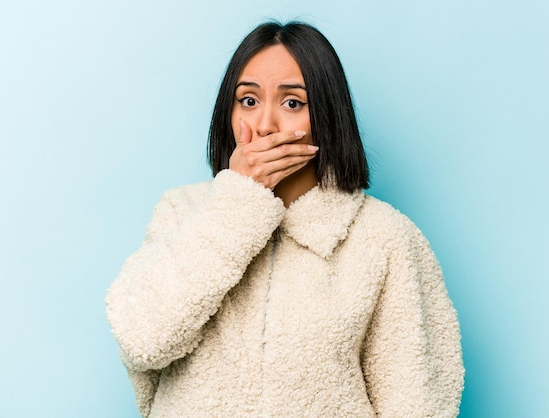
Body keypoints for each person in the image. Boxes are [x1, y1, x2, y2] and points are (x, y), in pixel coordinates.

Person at [105, 21, 464, 417]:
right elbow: (142, 340)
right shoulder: (181, 213)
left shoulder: (384, 238)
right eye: (248, 101)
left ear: (326, 116)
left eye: (293, 103)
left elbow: (417, 402)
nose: (264, 126)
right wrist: (238, 201)